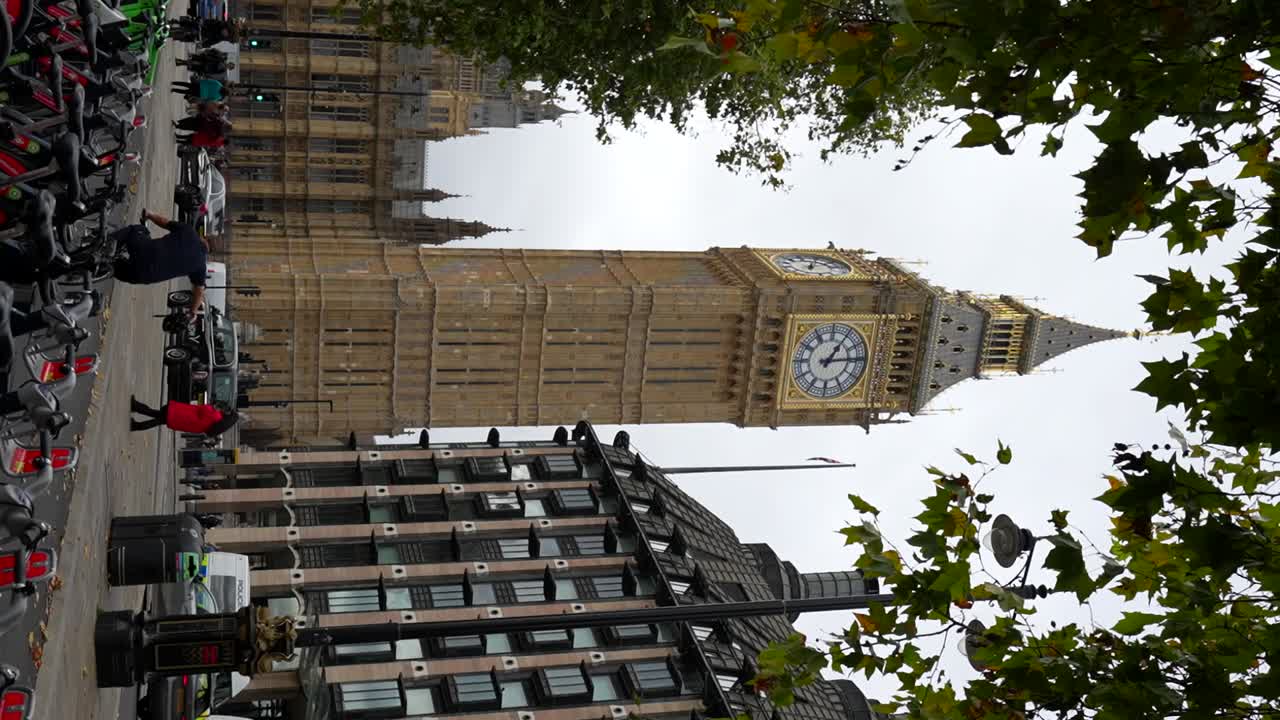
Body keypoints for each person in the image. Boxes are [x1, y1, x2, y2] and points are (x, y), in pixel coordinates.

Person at [112, 210, 208, 315]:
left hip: (144, 251)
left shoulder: (190, 232)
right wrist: (193, 311)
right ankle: (102, 269)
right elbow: (199, 292)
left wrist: (150, 215)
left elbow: (164, 222)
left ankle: (107, 243)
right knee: (114, 269)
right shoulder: (200, 266)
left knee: (136, 230)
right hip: (143, 275)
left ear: (204, 239)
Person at [129, 396, 240, 437]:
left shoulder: (216, 417)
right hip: (183, 419)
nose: (226, 410)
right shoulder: (217, 423)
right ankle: (137, 407)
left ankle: (136, 425)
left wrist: (213, 406)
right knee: (157, 415)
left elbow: (204, 409)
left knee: (157, 419)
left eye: (229, 412)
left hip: (181, 416)